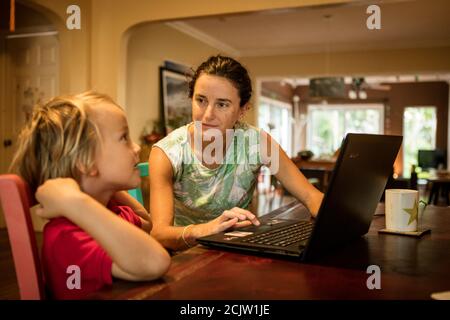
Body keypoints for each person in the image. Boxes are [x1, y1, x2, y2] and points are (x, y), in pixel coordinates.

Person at [149, 55, 324, 251]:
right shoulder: (166, 153)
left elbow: (311, 196)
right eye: (201, 100)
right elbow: (160, 234)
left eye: (222, 104)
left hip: (236, 251)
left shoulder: (256, 142)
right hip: (186, 256)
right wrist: (206, 230)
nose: (207, 115)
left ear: (242, 110)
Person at [10, 91, 171, 299]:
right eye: (124, 137)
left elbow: (146, 223)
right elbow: (156, 262)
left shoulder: (108, 210)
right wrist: (76, 201)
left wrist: (110, 188)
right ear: (86, 162)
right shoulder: (68, 238)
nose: (137, 147)